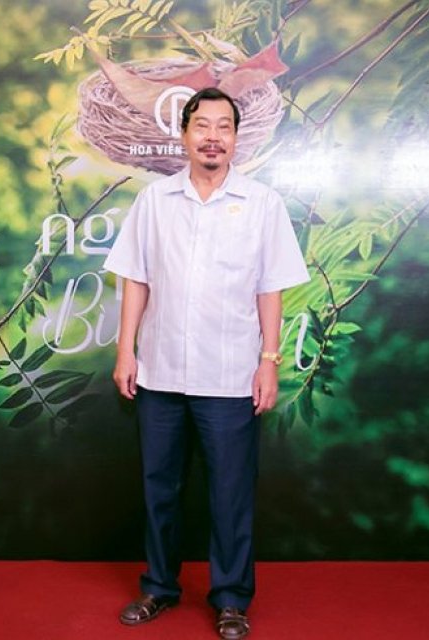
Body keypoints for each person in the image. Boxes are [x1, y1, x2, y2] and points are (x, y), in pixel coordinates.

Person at [103, 87, 309, 640]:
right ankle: (158, 588)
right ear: (184, 134)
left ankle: (232, 599)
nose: (212, 137)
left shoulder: (262, 203)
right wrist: (126, 350)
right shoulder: (155, 200)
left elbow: (270, 288)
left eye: (224, 127)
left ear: (237, 138)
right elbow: (136, 278)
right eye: (202, 126)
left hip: (231, 374)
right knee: (159, 487)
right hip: (160, 371)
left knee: (231, 493)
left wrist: (269, 361)